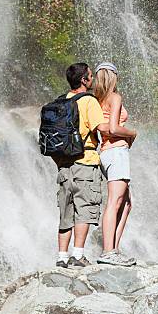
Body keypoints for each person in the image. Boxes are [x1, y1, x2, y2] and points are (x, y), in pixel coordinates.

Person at [54, 63, 109, 268]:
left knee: (65, 211)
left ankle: (61, 257)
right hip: (85, 162)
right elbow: (100, 128)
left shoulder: (61, 102)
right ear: (84, 80)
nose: (93, 79)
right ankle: (77, 255)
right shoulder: (88, 101)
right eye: (91, 76)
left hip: (64, 165)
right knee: (84, 209)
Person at [93, 62, 137, 266]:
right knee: (115, 202)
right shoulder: (115, 97)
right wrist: (132, 133)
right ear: (113, 77)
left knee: (126, 203)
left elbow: (100, 127)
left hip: (105, 154)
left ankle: (114, 249)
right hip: (116, 152)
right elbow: (113, 129)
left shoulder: (97, 100)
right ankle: (108, 251)